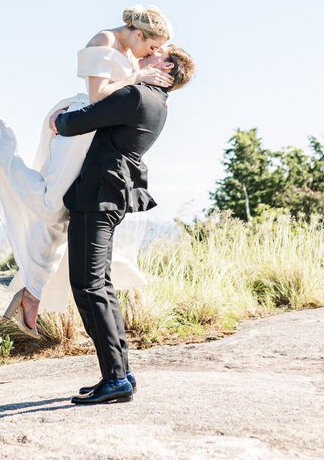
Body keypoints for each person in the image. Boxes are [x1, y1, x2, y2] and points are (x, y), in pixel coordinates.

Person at [0, 6, 175, 338]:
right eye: (151, 48)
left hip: (95, 134)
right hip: (81, 128)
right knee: (53, 206)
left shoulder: (130, 51)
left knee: (61, 212)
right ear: (139, 34)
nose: (151, 56)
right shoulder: (105, 40)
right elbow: (98, 96)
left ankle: (31, 295)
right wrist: (137, 77)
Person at [53, 45, 196, 404]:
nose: (147, 52)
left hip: (97, 196)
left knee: (87, 285)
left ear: (166, 66)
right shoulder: (155, 101)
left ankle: (115, 378)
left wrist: (59, 120)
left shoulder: (136, 95)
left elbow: (78, 122)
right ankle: (120, 374)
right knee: (100, 284)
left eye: (156, 52)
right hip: (109, 194)